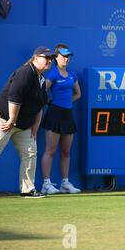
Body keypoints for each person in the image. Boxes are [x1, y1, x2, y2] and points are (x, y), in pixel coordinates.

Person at [0, 46, 53, 198]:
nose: (49, 61)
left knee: (30, 153)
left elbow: (40, 105)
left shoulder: (41, 79)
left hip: (24, 125)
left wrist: (35, 126)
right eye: (46, 57)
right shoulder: (25, 72)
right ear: (35, 58)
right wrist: (11, 120)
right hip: (5, 119)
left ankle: (27, 189)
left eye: (51, 58)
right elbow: (14, 98)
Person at [41, 44, 81, 195]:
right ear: (56, 57)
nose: (66, 59)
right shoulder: (52, 74)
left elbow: (78, 94)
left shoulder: (72, 76)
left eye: (68, 56)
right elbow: (42, 92)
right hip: (54, 114)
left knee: (66, 151)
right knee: (50, 150)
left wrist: (67, 102)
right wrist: (51, 102)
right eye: (63, 56)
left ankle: (65, 183)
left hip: (67, 115)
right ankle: (46, 184)